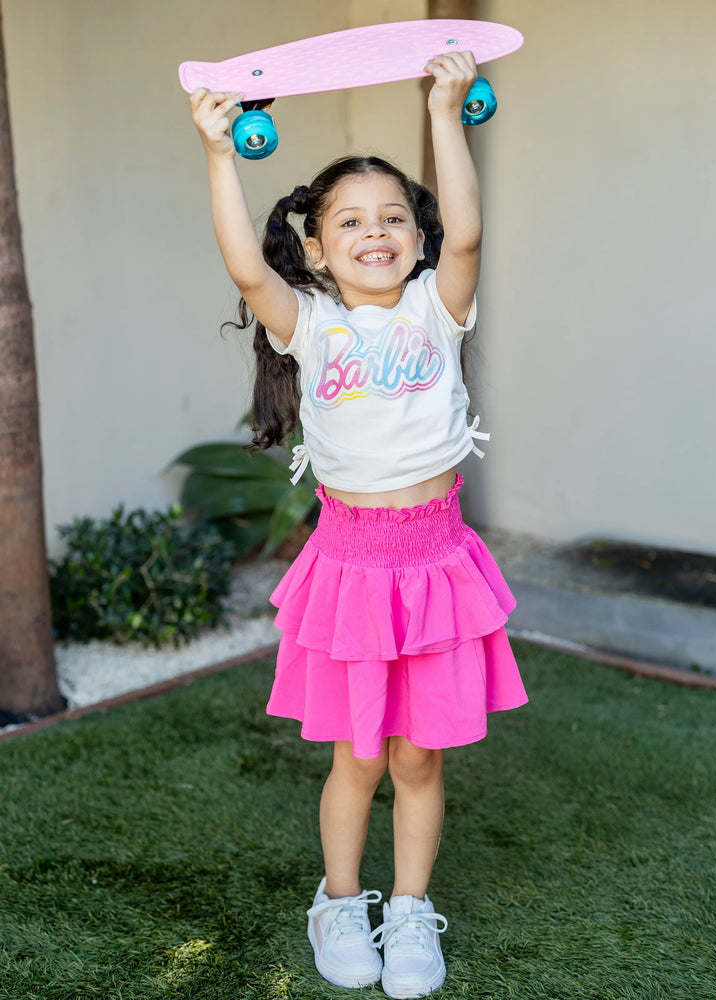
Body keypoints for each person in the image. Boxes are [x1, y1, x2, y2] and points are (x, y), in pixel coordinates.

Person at [189, 49, 527, 999]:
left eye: (393, 218)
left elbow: (467, 232)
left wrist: (446, 113)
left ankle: (411, 909)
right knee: (361, 754)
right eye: (350, 221)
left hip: (436, 563)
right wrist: (220, 153)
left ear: (415, 238)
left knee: (420, 756)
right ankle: (341, 899)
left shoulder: (437, 305)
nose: (374, 232)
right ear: (321, 247)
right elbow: (242, 263)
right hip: (351, 567)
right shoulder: (312, 323)